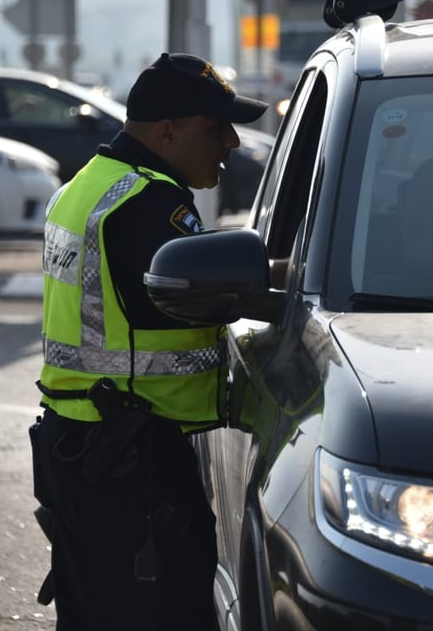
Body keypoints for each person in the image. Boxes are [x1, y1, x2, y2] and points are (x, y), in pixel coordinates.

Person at [29, 52, 267, 630]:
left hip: (82, 451)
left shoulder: (86, 187)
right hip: (133, 463)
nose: (232, 142)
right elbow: (221, 286)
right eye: (217, 127)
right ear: (167, 132)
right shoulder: (149, 204)